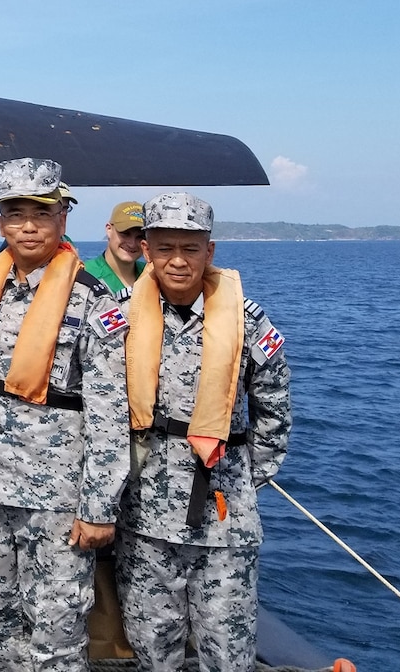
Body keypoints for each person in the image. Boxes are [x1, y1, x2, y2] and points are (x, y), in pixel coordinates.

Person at [0, 158, 129, 672]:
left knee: (56, 631)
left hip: (58, 498)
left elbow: (109, 414)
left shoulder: (94, 304)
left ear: (63, 220)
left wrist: (98, 507)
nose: (28, 226)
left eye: (41, 213)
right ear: (0, 221)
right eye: (14, 213)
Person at [116, 193, 291, 672]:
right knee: (152, 648)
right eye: (165, 246)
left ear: (209, 253)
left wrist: (247, 478)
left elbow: (274, 407)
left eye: (191, 249)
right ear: (146, 249)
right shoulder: (118, 318)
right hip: (144, 512)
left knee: (228, 651)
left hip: (224, 517)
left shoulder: (247, 322)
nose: (178, 260)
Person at [84, 201, 146, 297]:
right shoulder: (85, 274)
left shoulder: (151, 275)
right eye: (125, 234)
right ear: (109, 229)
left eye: (140, 236)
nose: (132, 244)